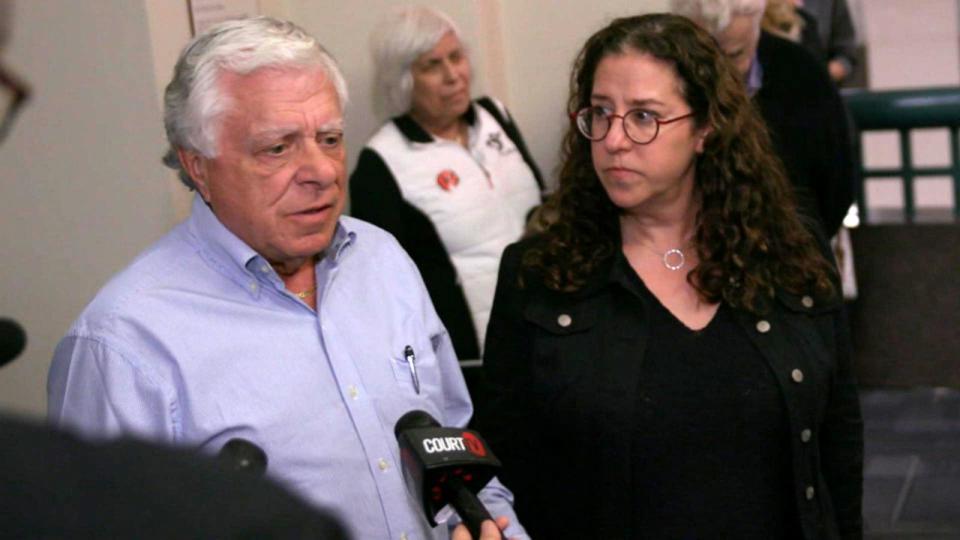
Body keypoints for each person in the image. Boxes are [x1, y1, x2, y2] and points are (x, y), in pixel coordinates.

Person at [47, 17, 524, 540]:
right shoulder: (122, 344)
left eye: (330, 138)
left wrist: (493, 527)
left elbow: (463, 460)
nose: (322, 170)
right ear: (198, 166)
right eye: (278, 147)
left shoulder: (383, 261)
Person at [475, 13, 863, 539]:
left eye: (644, 117)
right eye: (601, 114)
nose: (614, 139)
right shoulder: (539, 277)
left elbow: (837, 441)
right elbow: (507, 465)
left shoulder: (789, 253)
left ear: (705, 128)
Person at [350, 6, 544, 361]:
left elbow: (541, 209)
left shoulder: (495, 117)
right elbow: (384, 288)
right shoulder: (381, 163)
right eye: (432, 65)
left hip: (549, 328)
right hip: (476, 356)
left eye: (456, 57)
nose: (453, 75)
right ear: (403, 80)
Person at [672, 0, 856, 239]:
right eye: (711, 56)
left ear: (757, 26)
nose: (726, 69)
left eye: (736, 53)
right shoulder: (670, 79)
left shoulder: (802, 71)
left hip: (792, 247)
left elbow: (836, 183)